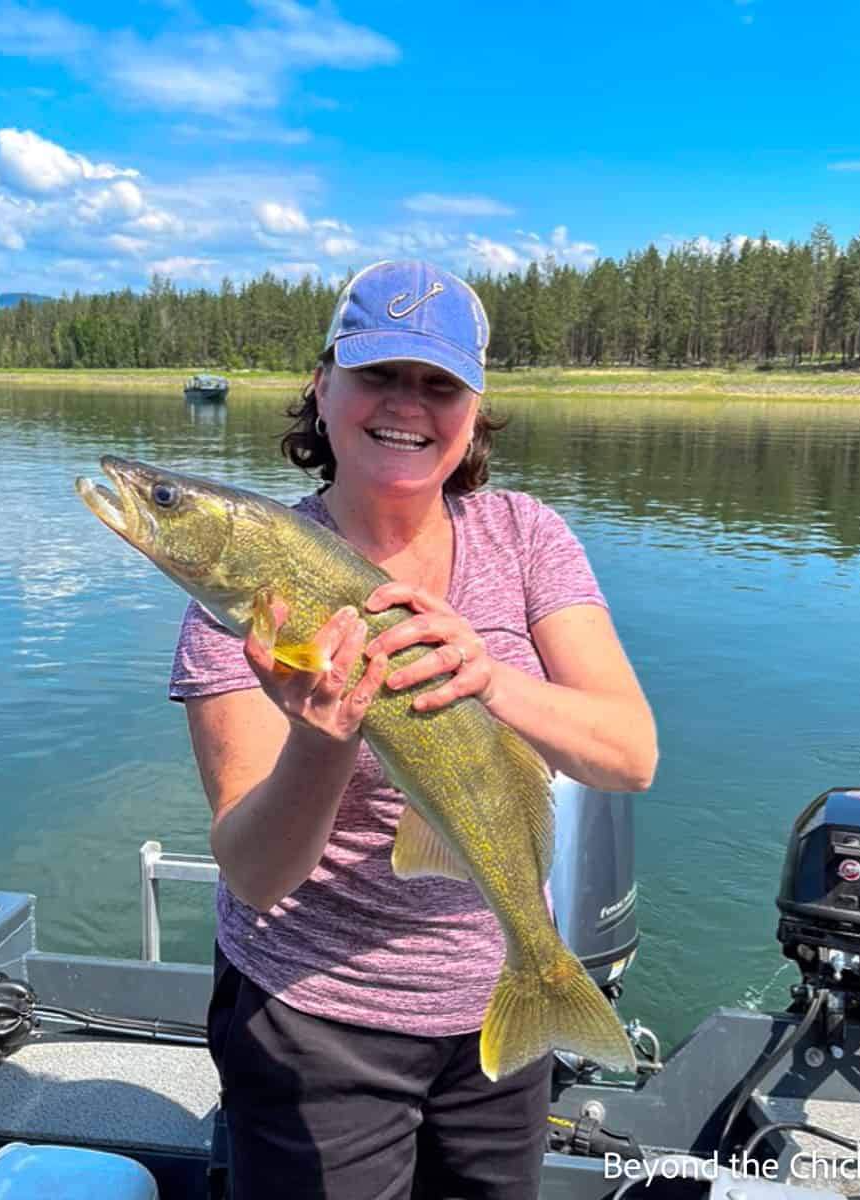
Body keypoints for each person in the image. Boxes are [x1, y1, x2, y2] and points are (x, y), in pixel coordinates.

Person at [169, 260, 658, 1199]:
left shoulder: (524, 537)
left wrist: (492, 679)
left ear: (474, 409)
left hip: (494, 1013)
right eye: (379, 375)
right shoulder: (244, 600)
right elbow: (257, 873)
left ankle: (546, 981)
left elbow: (629, 754)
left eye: (439, 384)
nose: (409, 406)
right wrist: (321, 740)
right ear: (323, 386)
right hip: (311, 1019)